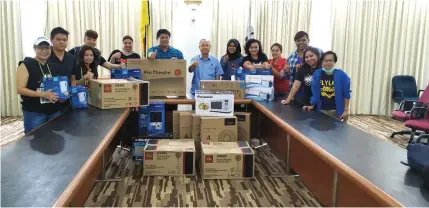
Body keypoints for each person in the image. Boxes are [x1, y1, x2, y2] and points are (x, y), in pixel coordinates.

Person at [16, 37, 61, 134]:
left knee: (55, 141)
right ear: (34, 48)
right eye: (41, 48)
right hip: (34, 112)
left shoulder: (53, 66)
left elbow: (56, 86)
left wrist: (62, 95)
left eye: (47, 48)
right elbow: (20, 89)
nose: (44, 51)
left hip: (54, 110)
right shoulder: (26, 64)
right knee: (34, 141)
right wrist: (43, 94)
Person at [303, 51, 351, 122]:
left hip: (336, 110)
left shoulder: (342, 75)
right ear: (322, 62)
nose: (328, 63)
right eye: (325, 60)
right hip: (321, 109)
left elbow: (347, 94)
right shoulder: (317, 74)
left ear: (334, 62)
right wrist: (312, 105)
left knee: (336, 131)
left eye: (330, 60)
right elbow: (315, 92)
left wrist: (346, 110)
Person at [48, 27, 76, 113]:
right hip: (46, 102)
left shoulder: (71, 58)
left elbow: (73, 79)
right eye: (58, 39)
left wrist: (72, 93)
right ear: (51, 40)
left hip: (65, 102)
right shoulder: (45, 56)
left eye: (64, 40)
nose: (62, 42)